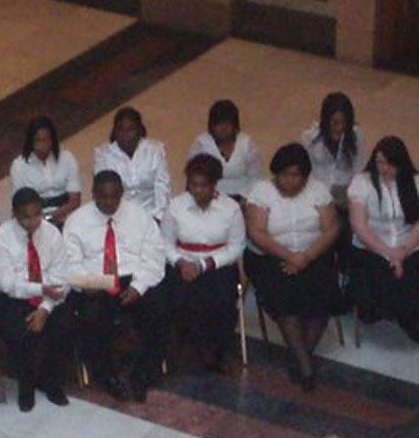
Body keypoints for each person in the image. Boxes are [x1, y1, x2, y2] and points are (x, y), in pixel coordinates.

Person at [63, 170, 168, 403]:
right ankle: (106, 375)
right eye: (103, 197)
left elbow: (153, 257)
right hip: (96, 281)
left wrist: (139, 287)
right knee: (92, 317)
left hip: (133, 277)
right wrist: (88, 283)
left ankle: (142, 374)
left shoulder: (141, 217)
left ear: (122, 193)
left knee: (160, 311)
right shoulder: (76, 222)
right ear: (93, 194)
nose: (109, 202)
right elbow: (70, 265)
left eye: (114, 197)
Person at [245, 143, 342, 390]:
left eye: (297, 175)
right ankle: (305, 365)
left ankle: (300, 355)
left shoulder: (318, 190)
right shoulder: (262, 192)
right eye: (286, 175)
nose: (292, 180)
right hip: (271, 257)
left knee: (324, 297)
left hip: (313, 254)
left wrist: (306, 258)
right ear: (277, 174)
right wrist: (289, 256)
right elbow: (257, 233)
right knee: (284, 299)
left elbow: (331, 228)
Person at [0, 188, 72, 412]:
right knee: (21, 333)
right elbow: (8, 284)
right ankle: (26, 386)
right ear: (14, 213)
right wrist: (41, 288)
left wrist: (44, 308)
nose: (33, 222)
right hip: (10, 297)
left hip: (47, 294)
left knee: (63, 326)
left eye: (37, 215)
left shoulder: (52, 233)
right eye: (26, 216)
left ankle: (51, 382)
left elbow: (61, 276)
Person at [160, 154, 245, 372]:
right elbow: (166, 243)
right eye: (193, 185)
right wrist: (181, 263)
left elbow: (236, 246)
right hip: (183, 262)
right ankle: (186, 344)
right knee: (179, 296)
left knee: (220, 300)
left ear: (214, 184)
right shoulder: (176, 206)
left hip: (218, 265)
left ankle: (214, 347)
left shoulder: (231, 209)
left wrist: (205, 264)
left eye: (203, 185)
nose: (197, 191)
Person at [347, 136, 419, 342]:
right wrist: (389, 254)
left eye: (389, 163)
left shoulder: (415, 182)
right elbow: (360, 226)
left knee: (411, 276)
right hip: (372, 247)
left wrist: (402, 252)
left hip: (409, 246)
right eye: (379, 162)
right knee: (386, 280)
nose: (384, 168)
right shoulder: (362, 183)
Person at [93, 107, 170, 222]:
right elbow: (103, 192)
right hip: (118, 216)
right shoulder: (103, 155)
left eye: (131, 129)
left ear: (140, 130)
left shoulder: (155, 150)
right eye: (120, 129)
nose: (125, 134)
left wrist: (158, 217)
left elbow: (162, 187)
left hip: (152, 215)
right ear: (114, 131)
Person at [9, 116, 81, 228]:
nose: (42, 144)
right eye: (38, 140)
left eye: (46, 139)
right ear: (31, 141)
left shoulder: (67, 158)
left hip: (67, 216)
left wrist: (54, 217)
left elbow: (75, 200)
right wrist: (40, 220)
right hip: (34, 221)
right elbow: (19, 204)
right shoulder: (19, 166)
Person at [187, 99, 262, 202]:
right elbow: (193, 176)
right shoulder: (201, 144)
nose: (223, 128)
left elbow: (255, 178)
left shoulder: (247, 143)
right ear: (212, 125)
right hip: (210, 197)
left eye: (227, 124)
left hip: (243, 198)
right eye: (218, 124)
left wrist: (248, 198)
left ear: (235, 125)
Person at [300, 92, 366, 207]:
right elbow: (305, 172)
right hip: (317, 196)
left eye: (343, 123)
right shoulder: (309, 138)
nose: (339, 128)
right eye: (335, 123)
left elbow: (358, 171)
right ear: (326, 120)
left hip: (346, 197)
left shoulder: (357, 136)